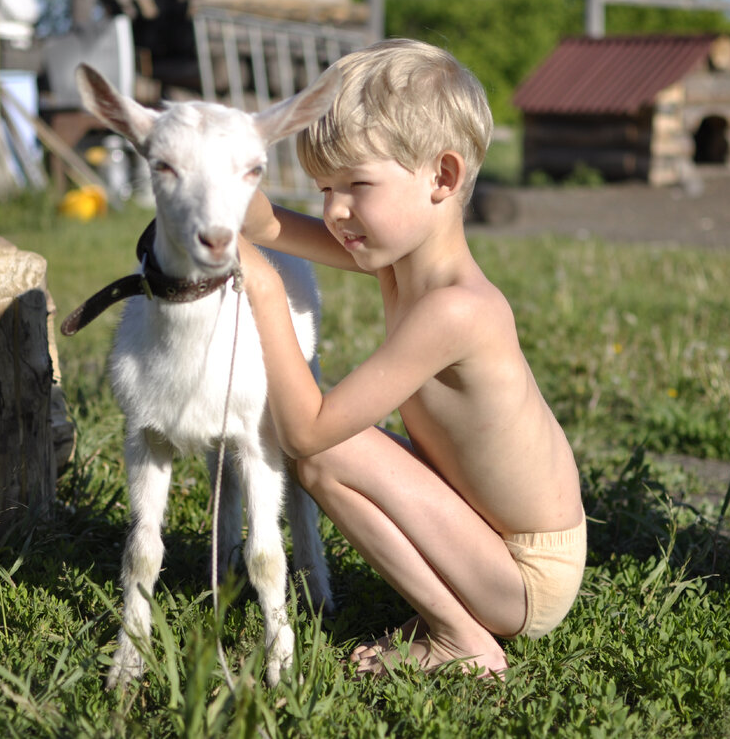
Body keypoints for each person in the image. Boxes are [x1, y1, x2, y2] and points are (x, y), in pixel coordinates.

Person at [236, 38, 585, 678]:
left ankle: (463, 641)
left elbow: (308, 427)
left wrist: (263, 288)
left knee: (324, 446)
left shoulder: (456, 310)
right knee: (330, 449)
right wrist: (216, 177)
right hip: (486, 537)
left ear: (442, 178)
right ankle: (456, 619)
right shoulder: (396, 259)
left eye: (356, 185)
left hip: (523, 574)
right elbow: (264, 225)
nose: (335, 211)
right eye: (324, 188)